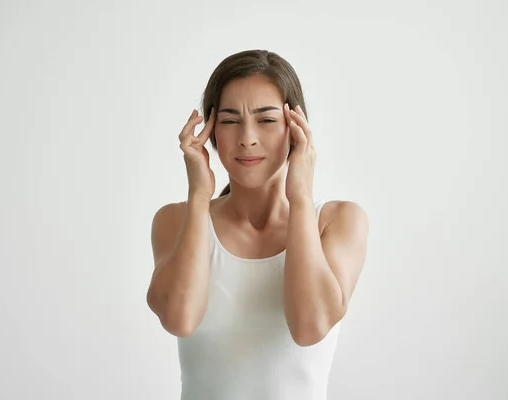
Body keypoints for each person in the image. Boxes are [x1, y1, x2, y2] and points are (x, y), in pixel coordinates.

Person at [147, 49, 369, 400]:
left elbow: (309, 327)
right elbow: (180, 319)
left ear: (295, 128)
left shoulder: (338, 220)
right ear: (210, 130)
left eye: (266, 120)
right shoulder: (176, 219)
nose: (247, 137)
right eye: (231, 120)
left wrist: (300, 196)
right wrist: (199, 197)